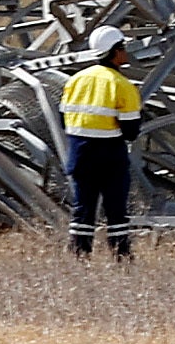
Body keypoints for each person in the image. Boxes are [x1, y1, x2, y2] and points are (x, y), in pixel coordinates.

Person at [59, 25, 144, 262]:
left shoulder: (75, 80)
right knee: (115, 208)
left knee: (83, 207)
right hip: (110, 156)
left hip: (80, 152)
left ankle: (78, 255)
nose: (126, 53)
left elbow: (62, 118)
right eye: (123, 48)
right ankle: (121, 255)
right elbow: (130, 131)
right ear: (115, 52)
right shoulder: (122, 85)